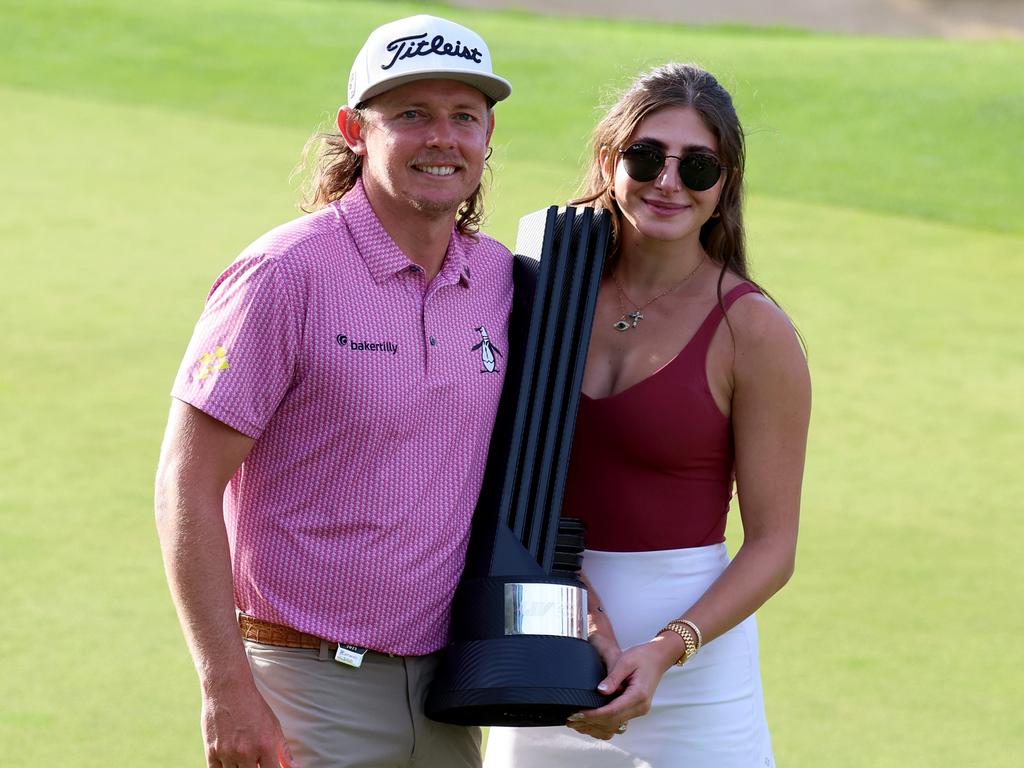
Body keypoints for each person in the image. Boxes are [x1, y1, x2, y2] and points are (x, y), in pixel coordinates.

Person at [154, 14, 513, 768]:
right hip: (303, 687)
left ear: (487, 136)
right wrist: (225, 687)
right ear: (355, 129)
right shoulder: (284, 276)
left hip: (450, 690)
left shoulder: (499, 281)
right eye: (411, 114)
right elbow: (185, 485)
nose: (441, 137)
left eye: (463, 117)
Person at [484, 62, 811, 767]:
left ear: (724, 188)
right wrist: (570, 598)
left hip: (694, 675)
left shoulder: (753, 330)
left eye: (697, 167)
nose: (668, 182)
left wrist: (670, 648)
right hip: (544, 638)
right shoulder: (538, 288)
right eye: (646, 156)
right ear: (609, 160)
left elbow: (773, 546)